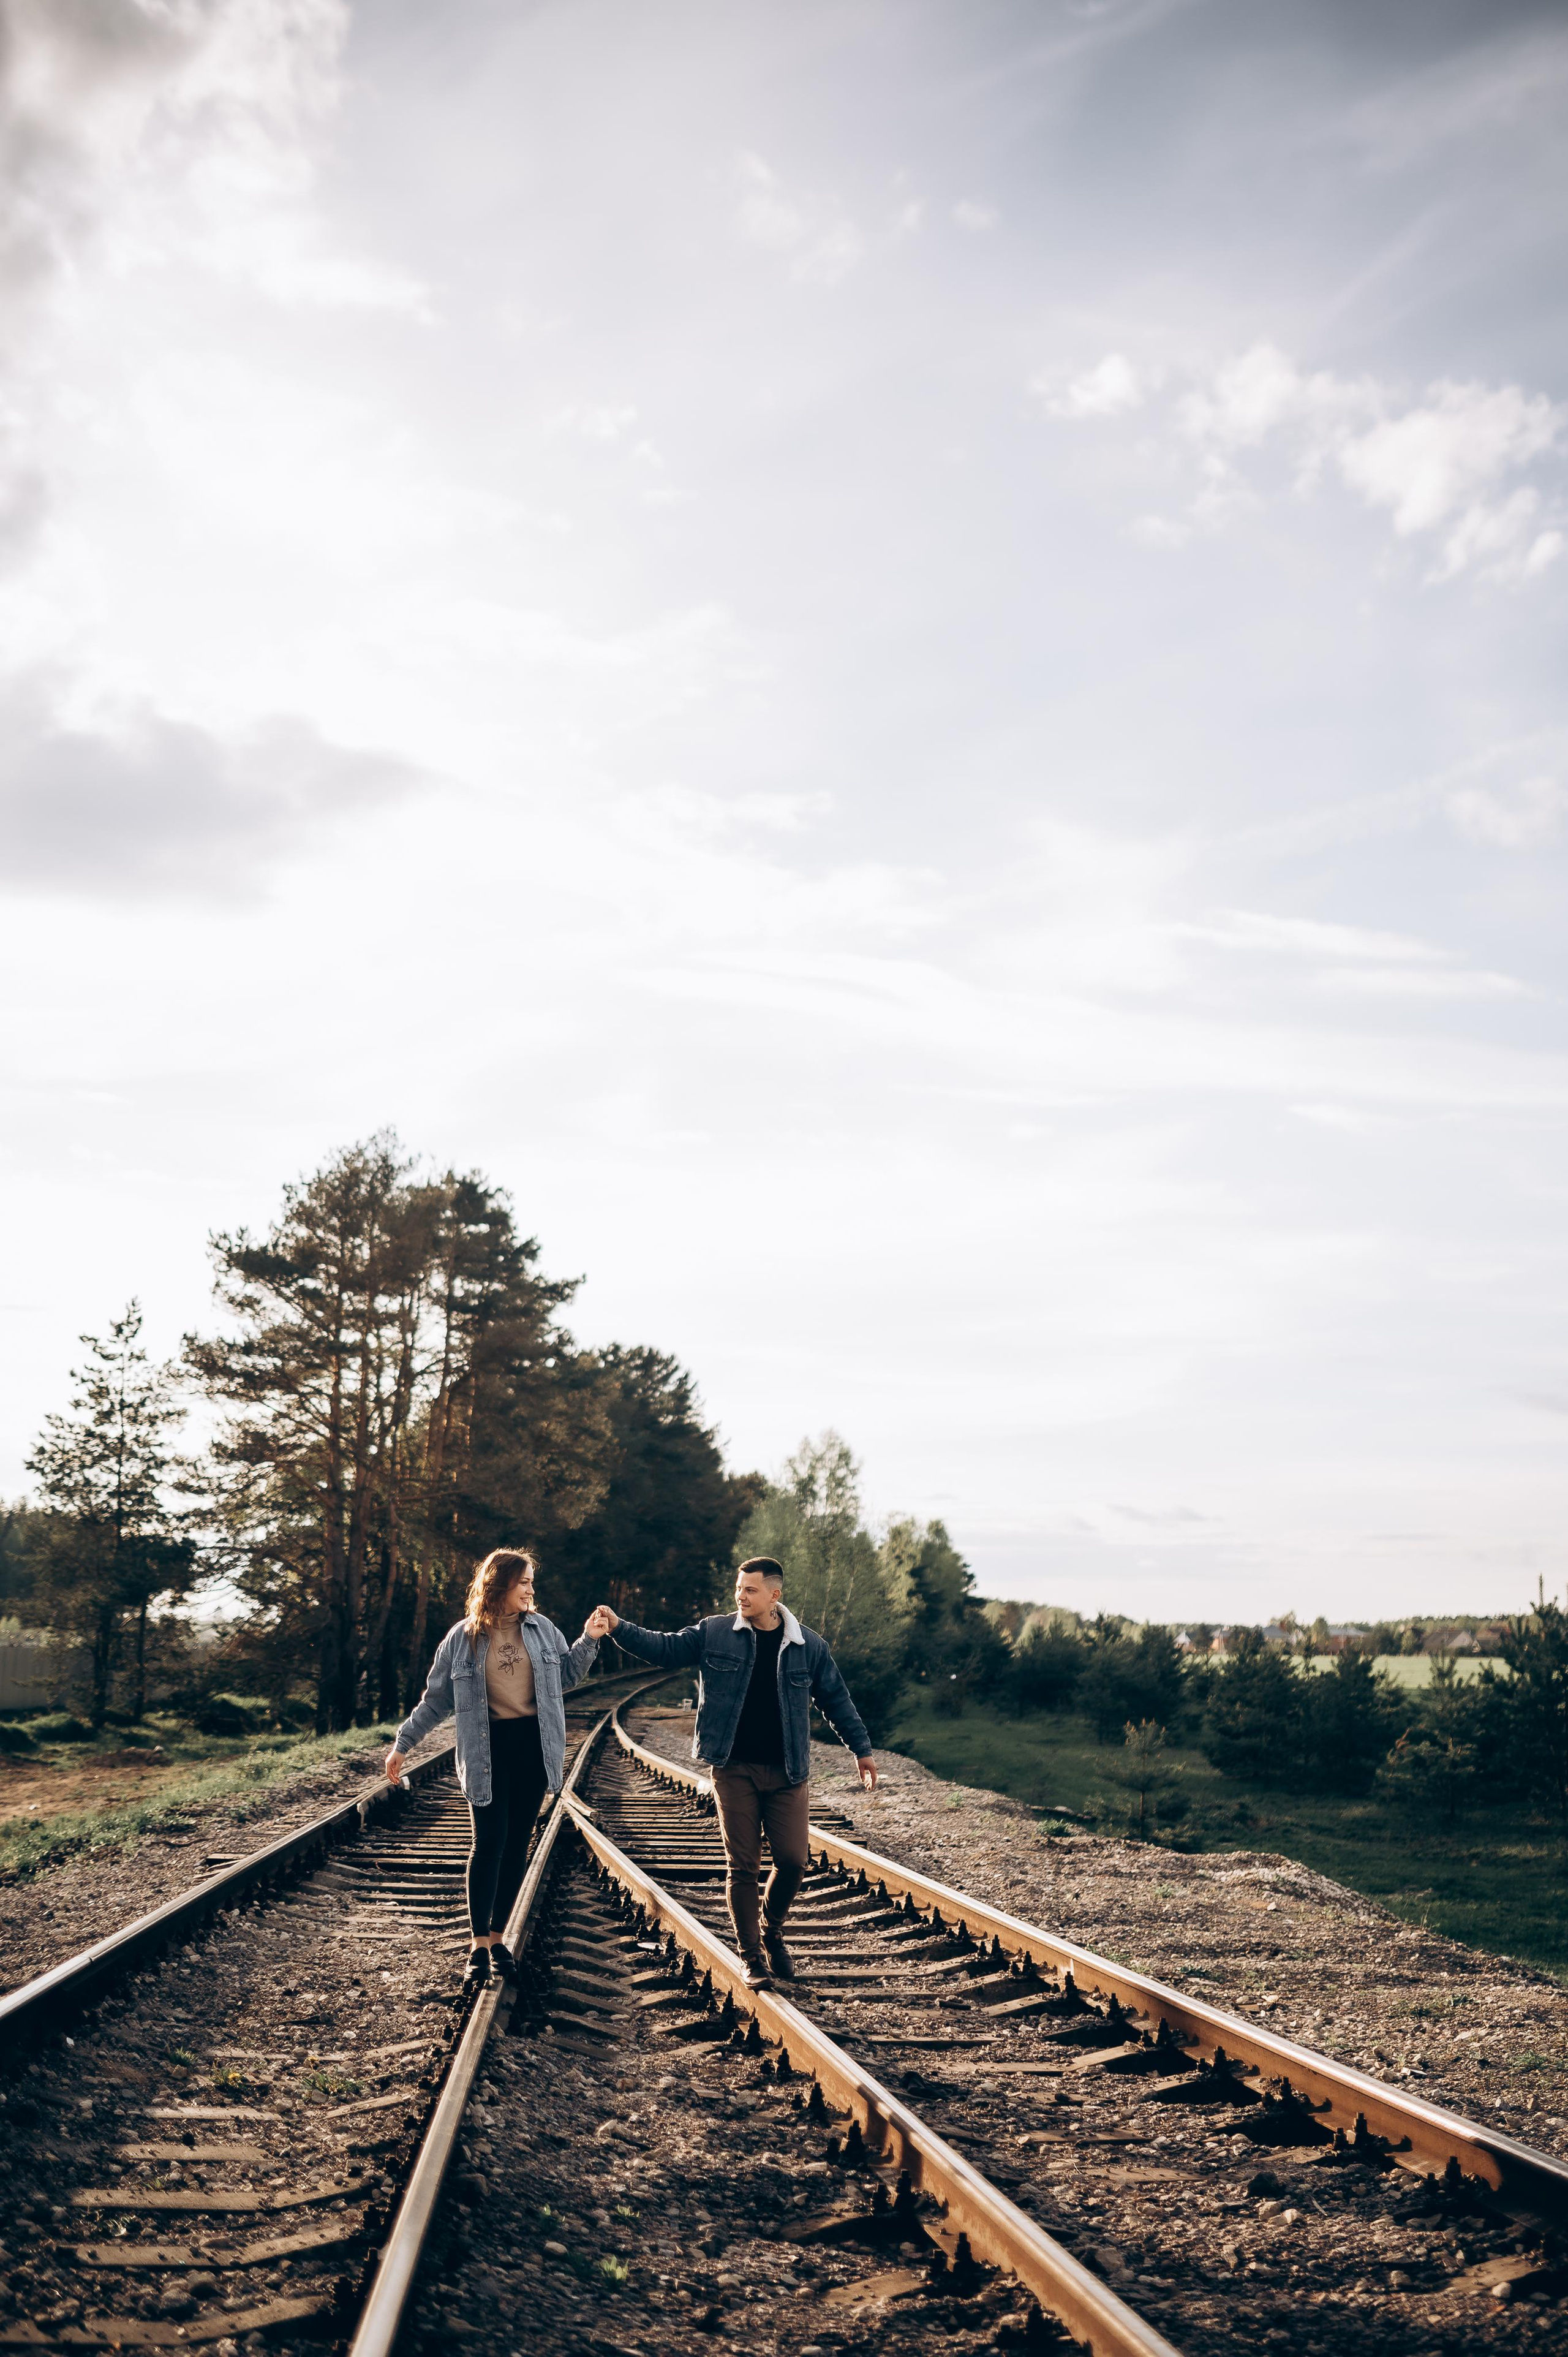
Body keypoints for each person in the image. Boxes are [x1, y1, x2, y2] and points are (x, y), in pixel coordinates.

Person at [586, 1557, 875, 1988]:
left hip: (788, 1771)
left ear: (774, 1595)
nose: (741, 1596)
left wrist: (861, 1748)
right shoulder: (715, 1632)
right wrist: (619, 1626)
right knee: (743, 1865)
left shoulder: (808, 1646)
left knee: (794, 1860)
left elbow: (835, 1698)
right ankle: (751, 1955)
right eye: (738, 1588)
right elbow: (664, 1648)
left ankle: (772, 1928)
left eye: (750, 1590)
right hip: (734, 1768)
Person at [385, 1546, 600, 1988]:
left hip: (533, 1748)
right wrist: (403, 1743)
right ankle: (478, 1945)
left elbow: (567, 1676)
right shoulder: (462, 1638)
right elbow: (436, 1699)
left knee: (518, 1843)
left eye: (531, 1584)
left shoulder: (543, 1630)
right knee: (489, 1843)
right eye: (523, 1582)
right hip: (487, 1750)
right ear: (499, 1583)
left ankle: (499, 1938)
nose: (530, 1590)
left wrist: (590, 1638)